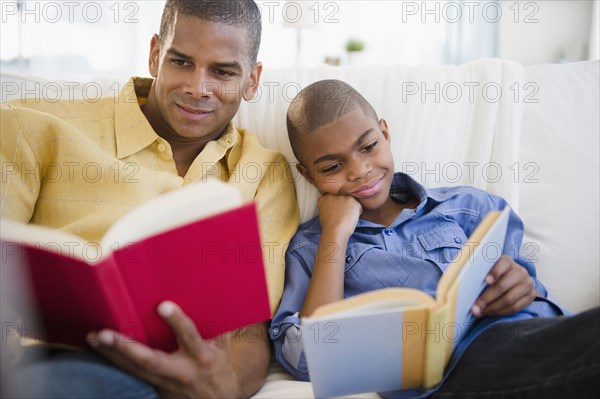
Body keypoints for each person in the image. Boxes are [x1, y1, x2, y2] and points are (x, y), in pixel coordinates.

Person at [0, 0, 299, 397]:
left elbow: (249, 328)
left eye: (223, 72)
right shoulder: (30, 126)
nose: (198, 88)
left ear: (252, 79)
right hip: (57, 364)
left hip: (181, 378)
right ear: (155, 54)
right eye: (181, 62)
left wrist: (223, 387)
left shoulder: (263, 173)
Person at [269, 79, 600, 398]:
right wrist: (336, 234)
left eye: (369, 147)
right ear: (308, 175)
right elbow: (311, 359)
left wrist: (521, 285)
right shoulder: (309, 249)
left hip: (537, 333)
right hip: (458, 369)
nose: (359, 171)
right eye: (332, 167)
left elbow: (527, 284)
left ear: (385, 133)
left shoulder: (469, 208)